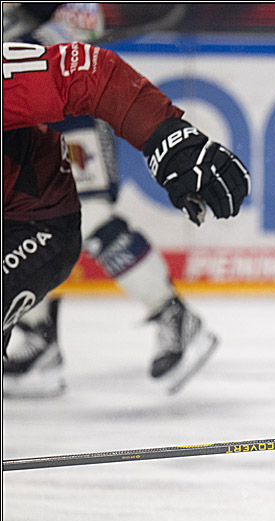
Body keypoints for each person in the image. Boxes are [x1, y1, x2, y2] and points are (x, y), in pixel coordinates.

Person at [3, 3, 221, 397]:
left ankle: (174, 315)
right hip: (22, 121)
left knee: (89, 218)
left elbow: (78, 32)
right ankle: (39, 339)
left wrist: (24, 45)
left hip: (71, 118)